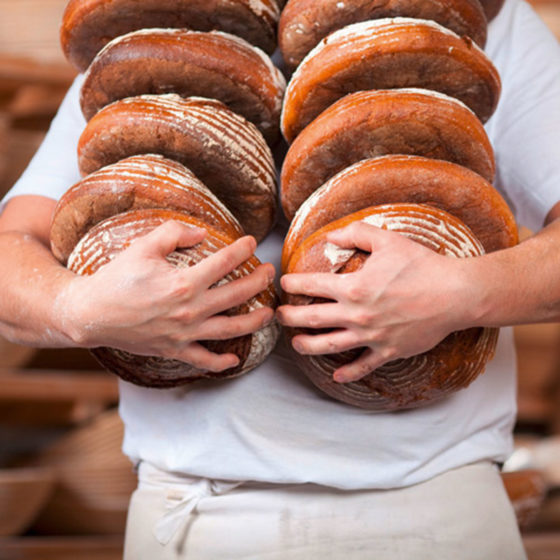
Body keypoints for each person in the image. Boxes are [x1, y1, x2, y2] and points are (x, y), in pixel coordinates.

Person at [0, 0, 559, 557]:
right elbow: (10, 252)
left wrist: (464, 292)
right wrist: (78, 306)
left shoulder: (473, 22)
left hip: (437, 514)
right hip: (192, 518)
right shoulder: (142, 38)